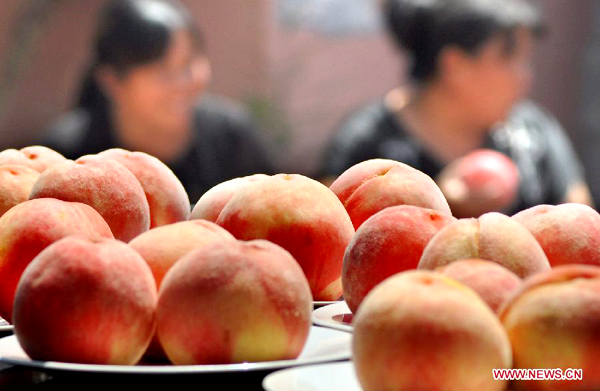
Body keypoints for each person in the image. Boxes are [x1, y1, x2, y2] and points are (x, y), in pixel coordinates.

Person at [320, 0, 593, 216]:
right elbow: (331, 234)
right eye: (509, 57)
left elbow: (578, 220)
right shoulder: (366, 141)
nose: (525, 76)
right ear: (454, 65)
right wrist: (435, 201)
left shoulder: (534, 132)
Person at [42, 0, 274, 203]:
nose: (185, 81)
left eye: (190, 62)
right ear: (112, 82)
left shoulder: (233, 139)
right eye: (163, 70)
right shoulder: (68, 154)